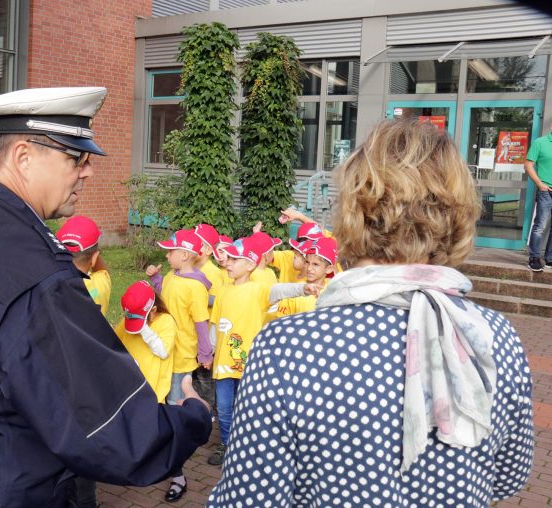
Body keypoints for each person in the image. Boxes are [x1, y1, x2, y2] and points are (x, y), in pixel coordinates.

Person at [0, 87, 212, 508]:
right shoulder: (35, 276)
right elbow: (113, 435)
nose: (88, 172)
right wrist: (193, 417)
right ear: (23, 157)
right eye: (77, 158)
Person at [208, 120, 534, 507]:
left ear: (352, 210)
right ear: (459, 213)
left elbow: (250, 498)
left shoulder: (288, 347)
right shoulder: (493, 334)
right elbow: (508, 476)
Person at [207, 235, 320, 467]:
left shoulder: (258, 289)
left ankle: (245, 444)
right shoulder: (224, 291)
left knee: (247, 406)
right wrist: (209, 351)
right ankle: (226, 443)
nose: (228, 263)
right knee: (225, 407)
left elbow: (279, 291)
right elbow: (214, 324)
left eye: (234, 259)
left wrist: (303, 288)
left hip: (249, 364)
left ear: (249, 264)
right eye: (228, 258)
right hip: (222, 363)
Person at [146, 228, 213, 502]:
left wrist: (205, 353)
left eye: (171, 251)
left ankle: (178, 475)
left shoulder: (195, 286)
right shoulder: (173, 277)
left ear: (184, 255)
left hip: (182, 357)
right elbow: (165, 294)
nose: (166, 254)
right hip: (164, 353)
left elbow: (201, 322)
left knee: (174, 411)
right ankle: (163, 454)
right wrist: (156, 278)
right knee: (161, 405)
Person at [114, 280, 177, 403]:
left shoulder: (166, 321)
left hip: (152, 394)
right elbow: (114, 343)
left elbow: (163, 352)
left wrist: (143, 329)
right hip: (128, 390)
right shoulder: (128, 319)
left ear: (153, 309)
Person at [56, 215, 112, 316]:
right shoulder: (100, 284)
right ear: (94, 258)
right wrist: (94, 255)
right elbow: (104, 271)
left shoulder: (49, 288)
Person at [275, 236, 337, 318]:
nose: (309, 268)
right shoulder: (296, 292)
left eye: (315, 264)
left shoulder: (334, 290)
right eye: (307, 262)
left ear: (329, 269)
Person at [524, 130, 552, 271]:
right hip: (546, 191)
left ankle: (549, 258)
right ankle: (534, 258)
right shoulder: (540, 142)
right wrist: (540, 184)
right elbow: (528, 165)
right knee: (540, 224)